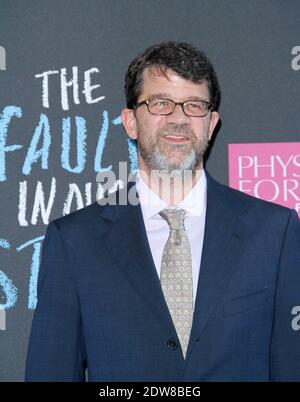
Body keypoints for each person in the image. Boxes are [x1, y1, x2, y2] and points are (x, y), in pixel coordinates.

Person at [25, 41, 300, 381]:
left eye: (194, 105)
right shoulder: (75, 241)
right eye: (161, 103)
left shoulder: (275, 231)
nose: (179, 118)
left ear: (211, 124)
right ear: (130, 122)